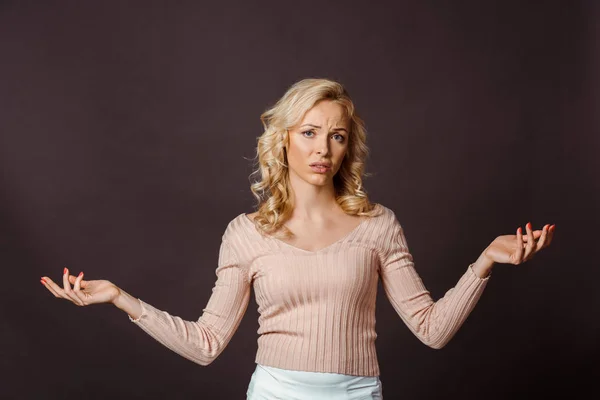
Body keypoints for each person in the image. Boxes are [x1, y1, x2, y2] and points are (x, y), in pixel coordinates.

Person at [41, 78, 555, 399]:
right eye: (308, 132)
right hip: (275, 393)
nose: (322, 148)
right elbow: (206, 345)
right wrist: (119, 298)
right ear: (282, 139)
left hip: (358, 394)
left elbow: (431, 330)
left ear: (347, 145)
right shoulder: (247, 234)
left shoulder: (378, 225)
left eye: (336, 135)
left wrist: (484, 262)